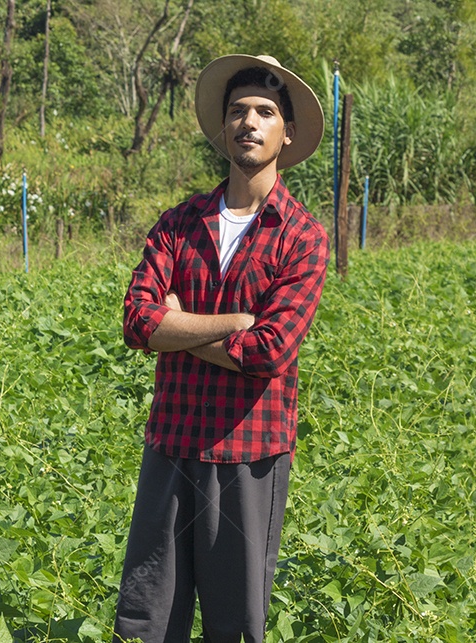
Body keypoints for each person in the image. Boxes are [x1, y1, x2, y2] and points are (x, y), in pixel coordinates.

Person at [115, 54, 330, 643]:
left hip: (248, 455)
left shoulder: (302, 236)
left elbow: (269, 351)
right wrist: (232, 321)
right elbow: (137, 321)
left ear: (285, 133)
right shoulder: (179, 223)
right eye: (238, 111)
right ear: (223, 127)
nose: (249, 123)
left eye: (265, 112)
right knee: (146, 621)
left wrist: (180, 328)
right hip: (172, 443)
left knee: (236, 625)